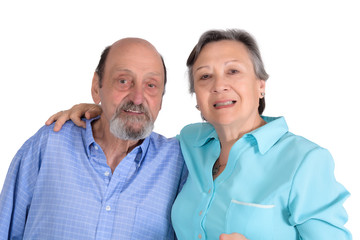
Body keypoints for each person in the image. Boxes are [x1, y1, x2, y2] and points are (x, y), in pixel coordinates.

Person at [44, 29, 351, 239]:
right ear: (197, 98)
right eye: (205, 77)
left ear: (261, 84)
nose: (219, 85)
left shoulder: (305, 162)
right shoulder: (189, 146)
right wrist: (100, 108)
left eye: (233, 71)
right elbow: (134, 127)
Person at [0, 38, 188, 239]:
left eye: (151, 85)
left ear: (161, 100)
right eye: (123, 81)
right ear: (96, 87)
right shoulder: (49, 144)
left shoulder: (179, 164)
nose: (137, 98)